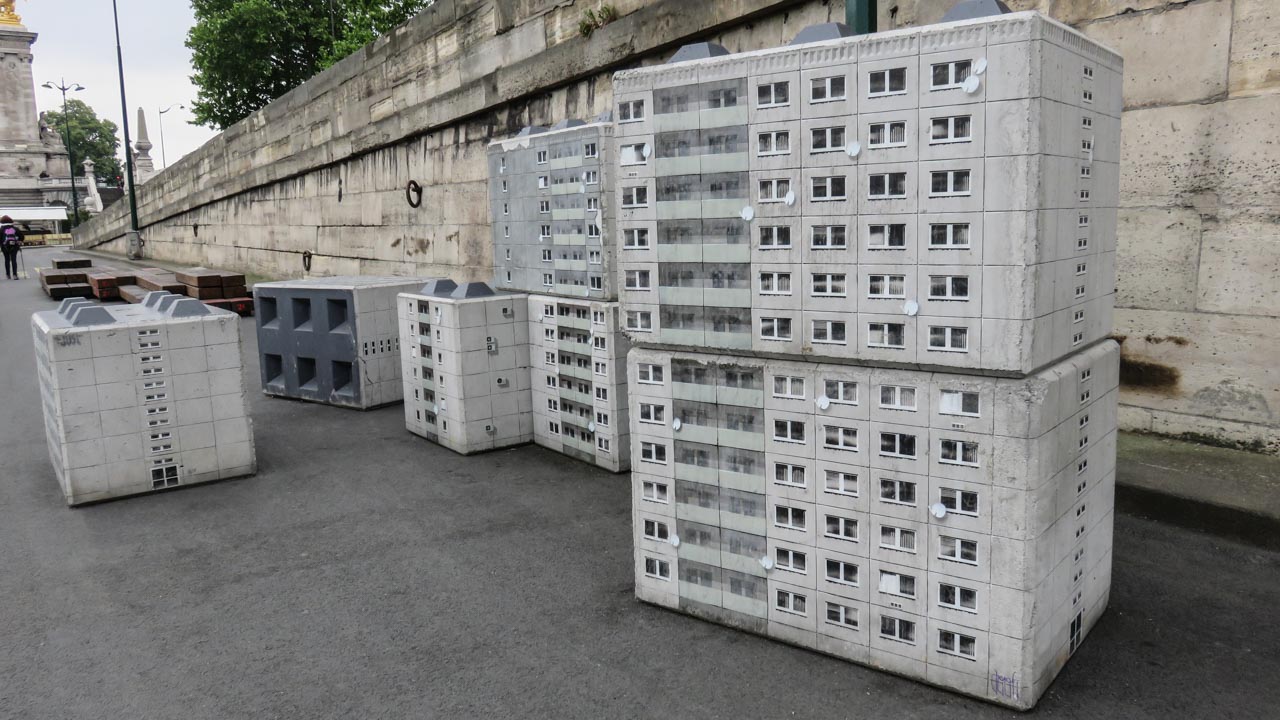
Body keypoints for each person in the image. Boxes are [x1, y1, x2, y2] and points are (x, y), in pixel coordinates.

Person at [1, 215, 23, 280]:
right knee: (14, 259)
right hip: (14, 246)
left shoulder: (1, 229)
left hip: (4, 246)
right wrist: (19, 241)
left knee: (6, 260)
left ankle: (8, 275)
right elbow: (22, 237)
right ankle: (15, 275)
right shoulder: (15, 228)